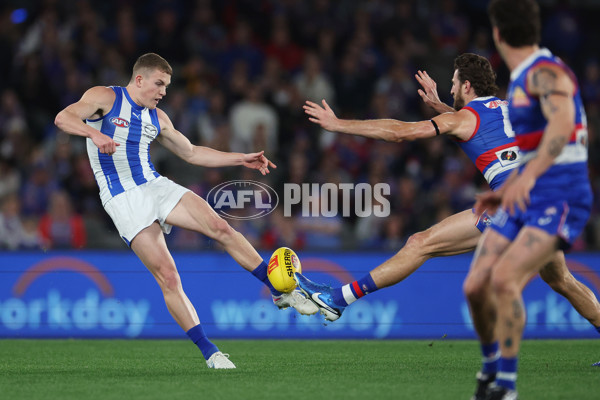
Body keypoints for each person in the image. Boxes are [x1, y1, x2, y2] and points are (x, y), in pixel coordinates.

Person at [295, 52, 600, 382]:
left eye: (454, 82)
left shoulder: (465, 118)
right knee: (561, 280)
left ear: (466, 86)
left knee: (420, 243)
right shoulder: (506, 108)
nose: (451, 86)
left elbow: (401, 132)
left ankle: (337, 299)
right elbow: (479, 127)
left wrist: (339, 124)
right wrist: (442, 106)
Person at [54, 53, 318, 369]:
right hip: (122, 197)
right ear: (140, 80)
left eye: (167, 85)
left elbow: (191, 153)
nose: (164, 92)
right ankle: (211, 352)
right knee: (168, 276)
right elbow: (63, 118)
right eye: (159, 84)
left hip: (155, 185)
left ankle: (278, 290)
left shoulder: (158, 117)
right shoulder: (104, 97)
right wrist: (94, 133)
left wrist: (240, 158)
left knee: (221, 228)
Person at [463, 1, 594, 398]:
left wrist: (527, 180)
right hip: (526, 195)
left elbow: (561, 124)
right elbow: (532, 151)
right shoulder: (521, 79)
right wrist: (504, 192)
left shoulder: (545, 72)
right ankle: (489, 371)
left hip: (561, 194)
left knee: (505, 279)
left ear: (498, 34)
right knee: (474, 286)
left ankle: (507, 387)